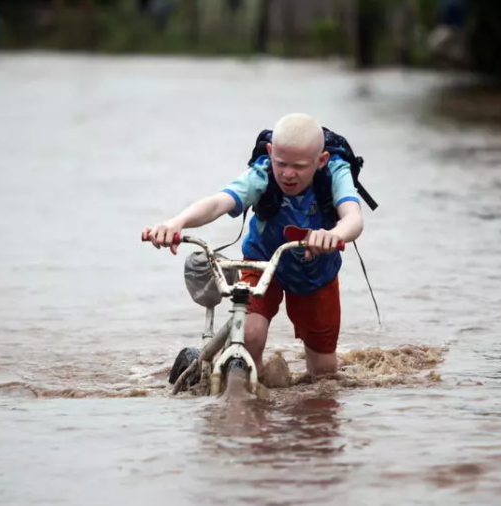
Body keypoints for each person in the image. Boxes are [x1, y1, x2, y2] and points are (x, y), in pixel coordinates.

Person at [142, 113, 365, 380]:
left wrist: (332, 234)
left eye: (300, 166)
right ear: (271, 152)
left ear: (321, 160)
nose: (288, 174)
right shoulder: (262, 172)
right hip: (262, 264)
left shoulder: (335, 172)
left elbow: (353, 217)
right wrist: (176, 223)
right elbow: (218, 203)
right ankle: (253, 396)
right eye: (281, 163)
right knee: (249, 335)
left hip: (316, 274)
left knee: (324, 375)